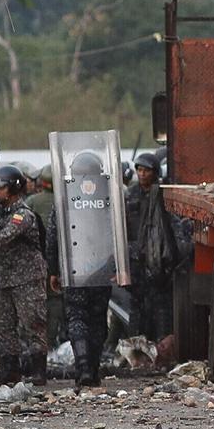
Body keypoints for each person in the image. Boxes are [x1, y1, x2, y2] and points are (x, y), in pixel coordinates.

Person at [0, 165, 50, 386]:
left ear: (13, 189)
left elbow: (4, 237)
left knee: (33, 324)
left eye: (1, 188)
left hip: (27, 279)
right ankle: (10, 370)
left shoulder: (23, 215)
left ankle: (38, 370)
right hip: (5, 279)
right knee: (5, 327)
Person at [57, 152, 116, 387]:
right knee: (97, 319)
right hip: (102, 269)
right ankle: (93, 367)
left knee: (77, 317)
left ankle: (83, 368)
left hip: (75, 268)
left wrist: (54, 269)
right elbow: (119, 233)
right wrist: (118, 267)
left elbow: (54, 234)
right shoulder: (110, 197)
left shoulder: (65, 197)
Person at [127, 152, 178, 341]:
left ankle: (161, 344)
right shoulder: (130, 194)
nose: (142, 174)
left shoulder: (164, 194)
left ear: (155, 172)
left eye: (146, 170)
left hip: (159, 260)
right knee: (137, 307)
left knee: (161, 306)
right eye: (139, 170)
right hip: (136, 258)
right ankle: (136, 344)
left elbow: (173, 227)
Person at [27, 165, 68, 353]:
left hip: (34, 261)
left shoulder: (32, 201)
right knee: (56, 300)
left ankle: (35, 341)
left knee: (34, 301)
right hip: (60, 261)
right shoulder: (65, 201)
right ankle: (50, 341)